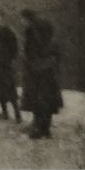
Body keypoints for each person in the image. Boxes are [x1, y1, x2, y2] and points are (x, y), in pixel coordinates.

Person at [20, 8, 63, 139]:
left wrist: (30, 62)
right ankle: (45, 129)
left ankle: (38, 129)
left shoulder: (33, 35)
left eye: (23, 20)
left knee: (38, 102)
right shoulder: (51, 42)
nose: (22, 22)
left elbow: (30, 54)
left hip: (37, 73)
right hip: (49, 73)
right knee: (47, 102)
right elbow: (57, 58)